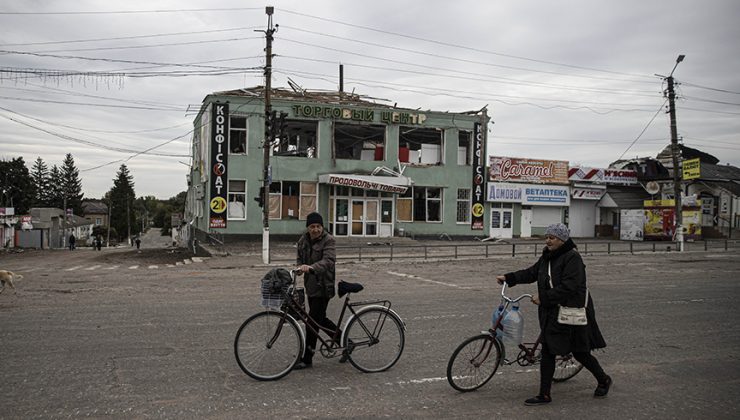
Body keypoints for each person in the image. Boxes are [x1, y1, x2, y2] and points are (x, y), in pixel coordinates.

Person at [495, 223, 611, 406]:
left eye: (552, 237)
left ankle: (603, 379)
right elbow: (532, 273)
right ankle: (545, 394)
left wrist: (544, 297)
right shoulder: (548, 257)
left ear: (562, 239)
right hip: (552, 311)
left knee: (579, 352)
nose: (548, 240)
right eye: (547, 236)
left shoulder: (572, 258)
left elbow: (570, 286)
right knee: (549, 350)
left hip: (571, 311)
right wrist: (510, 278)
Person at [293, 211, 339, 370]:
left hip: (324, 286)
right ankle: (346, 342)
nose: (316, 229)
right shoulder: (303, 241)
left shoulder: (329, 240)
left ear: (322, 227)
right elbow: (300, 258)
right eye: (312, 226)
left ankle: (307, 358)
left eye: (318, 226)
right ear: (308, 228)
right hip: (310, 286)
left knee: (312, 322)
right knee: (320, 319)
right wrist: (299, 268)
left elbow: (328, 261)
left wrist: (311, 267)